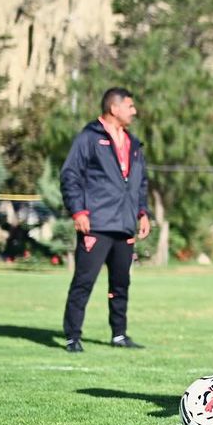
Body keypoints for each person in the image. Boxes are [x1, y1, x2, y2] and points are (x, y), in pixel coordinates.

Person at [60, 88, 151, 351]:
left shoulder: (133, 143)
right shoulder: (89, 137)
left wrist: (142, 212)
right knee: (84, 282)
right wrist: (78, 211)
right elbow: (70, 175)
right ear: (114, 108)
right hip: (96, 224)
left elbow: (140, 182)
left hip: (124, 224)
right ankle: (72, 337)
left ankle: (119, 335)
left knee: (121, 284)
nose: (134, 111)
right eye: (130, 106)